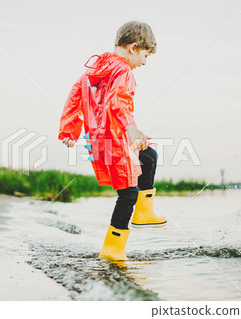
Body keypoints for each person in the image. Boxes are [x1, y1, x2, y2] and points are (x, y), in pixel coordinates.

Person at [58, 21, 167, 261]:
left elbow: (75, 95)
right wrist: (131, 127)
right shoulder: (123, 70)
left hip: (99, 140)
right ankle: (112, 250)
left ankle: (144, 212)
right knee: (127, 193)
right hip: (116, 139)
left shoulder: (95, 68)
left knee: (149, 156)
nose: (145, 62)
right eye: (145, 55)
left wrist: (68, 128)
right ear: (134, 47)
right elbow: (119, 101)